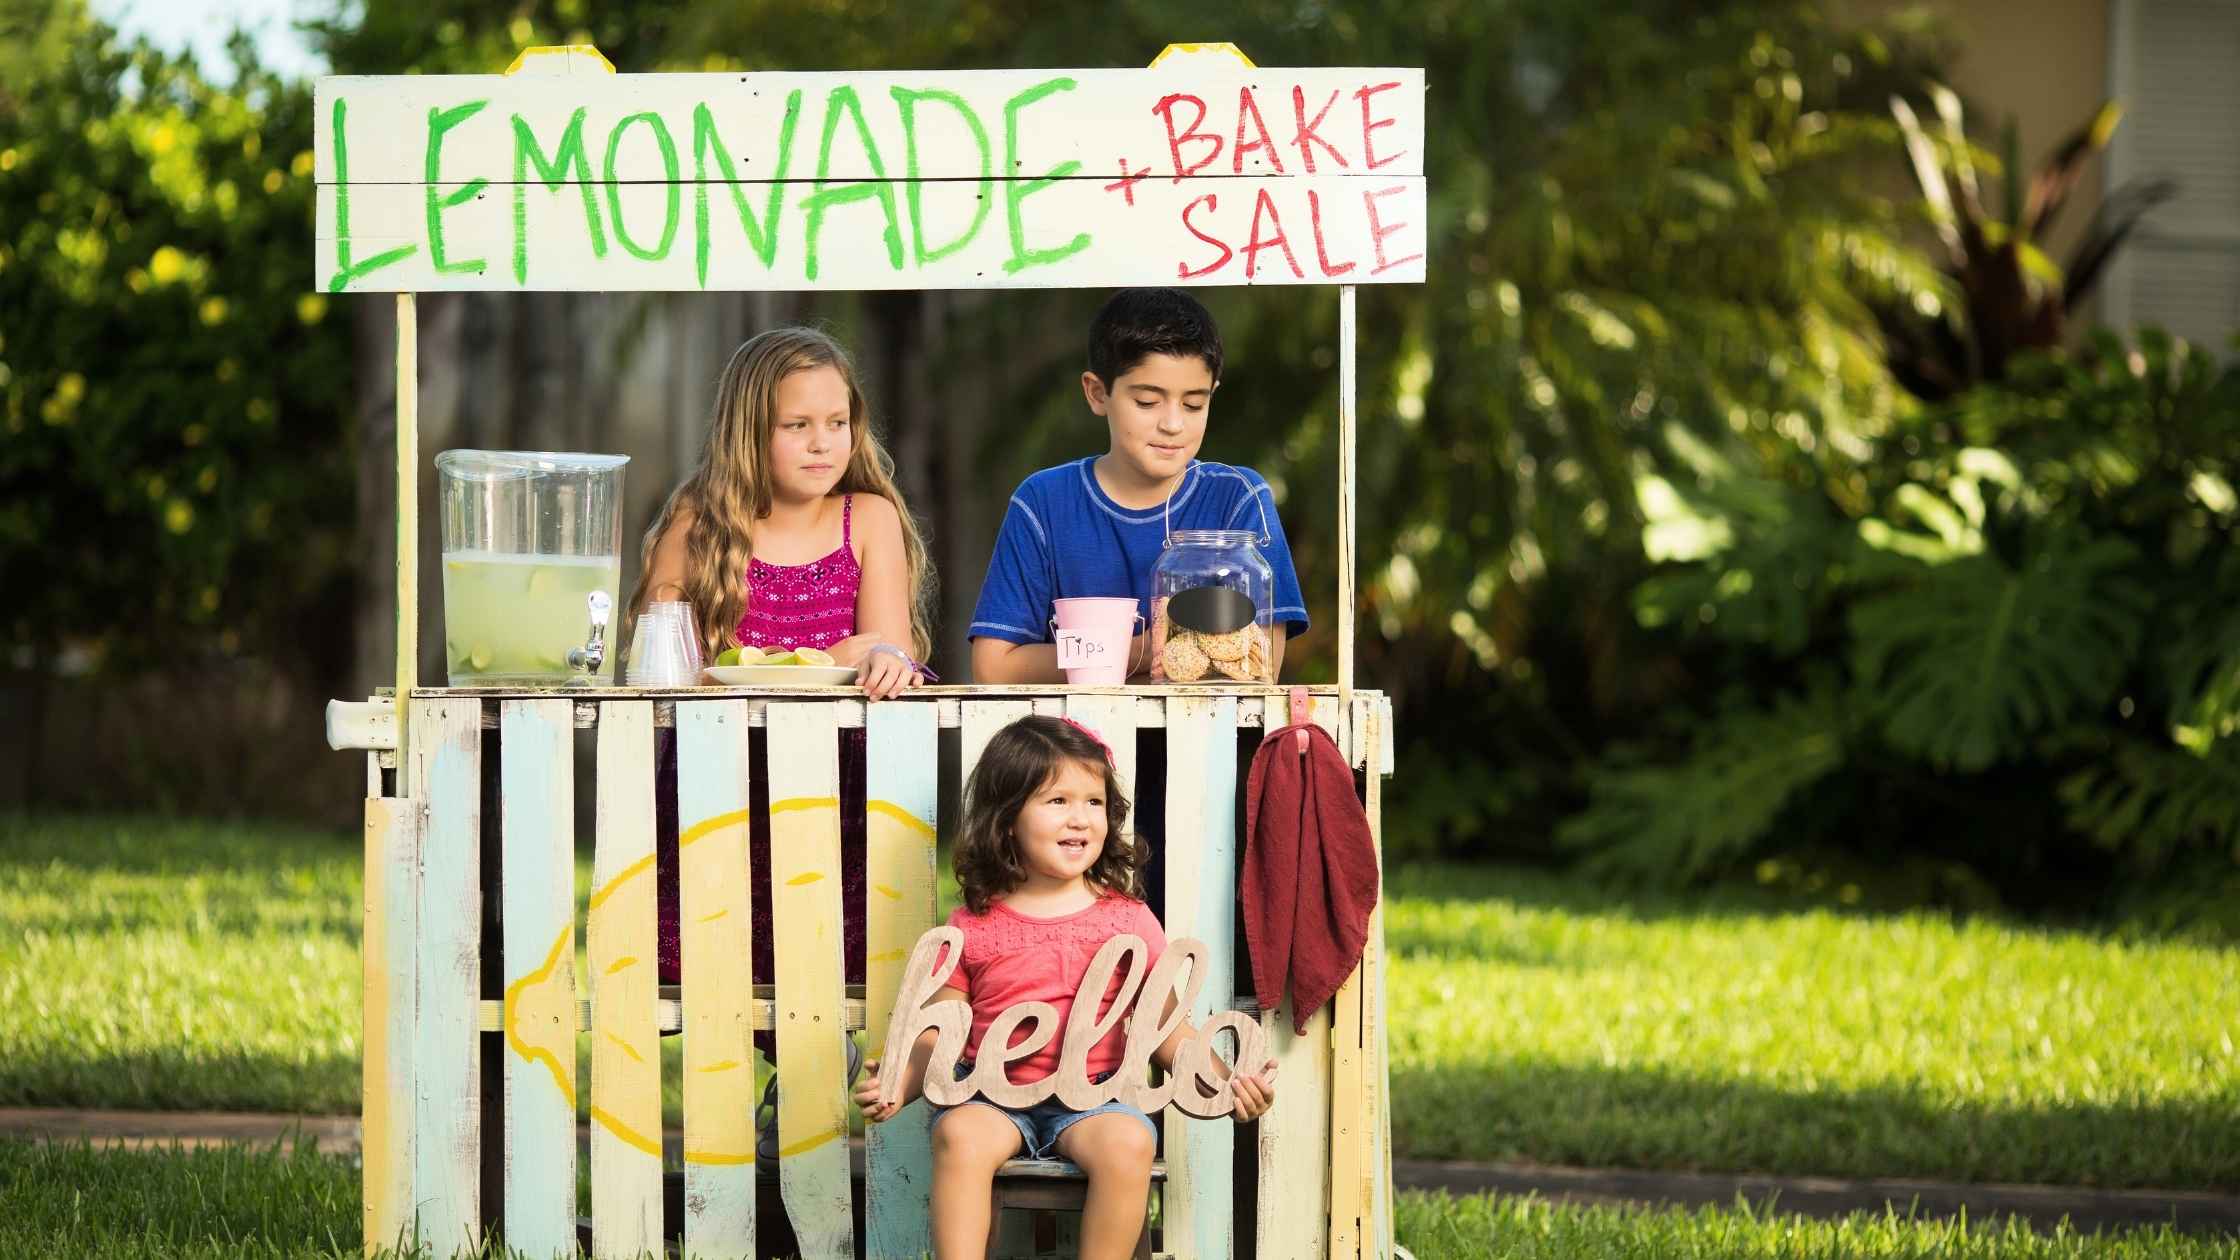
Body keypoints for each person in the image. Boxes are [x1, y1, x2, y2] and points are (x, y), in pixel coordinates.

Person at [625, 326, 933, 1155]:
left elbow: (889, 644)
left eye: (838, 421)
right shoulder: (700, 519)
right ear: (748, 430)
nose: (823, 441)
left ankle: (814, 1101)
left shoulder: (867, 517)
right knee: (727, 962)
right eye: (797, 424)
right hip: (719, 782)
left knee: (836, 962)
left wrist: (880, 659)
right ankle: (736, 1131)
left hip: (840, 787)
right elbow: (662, 649)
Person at [854, 715, 1276, 1260]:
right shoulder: (973, 924)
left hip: (1096, 1099)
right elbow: (942, 1034)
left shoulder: (1128, 921)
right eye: (1057, 802)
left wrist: (1225, 1085)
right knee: (960, 1137)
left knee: (1131, 1142)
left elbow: (1168, 1034)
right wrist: (902, 1081)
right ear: (1007, 819)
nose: (1080, 819)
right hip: (992, 1096)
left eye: (1093, 802)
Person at [967, 287, 1309, 685]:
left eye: (1194, 404)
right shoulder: (1043, 503)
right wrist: (1142, 651)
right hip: (1072, 743)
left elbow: (1259, 659)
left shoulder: (1237, 497)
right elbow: (994, 666)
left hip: (1206, 741)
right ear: (1097, 393)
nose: (1173, 424)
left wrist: (1095, 658)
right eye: (1147, 402)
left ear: (1213, 394)